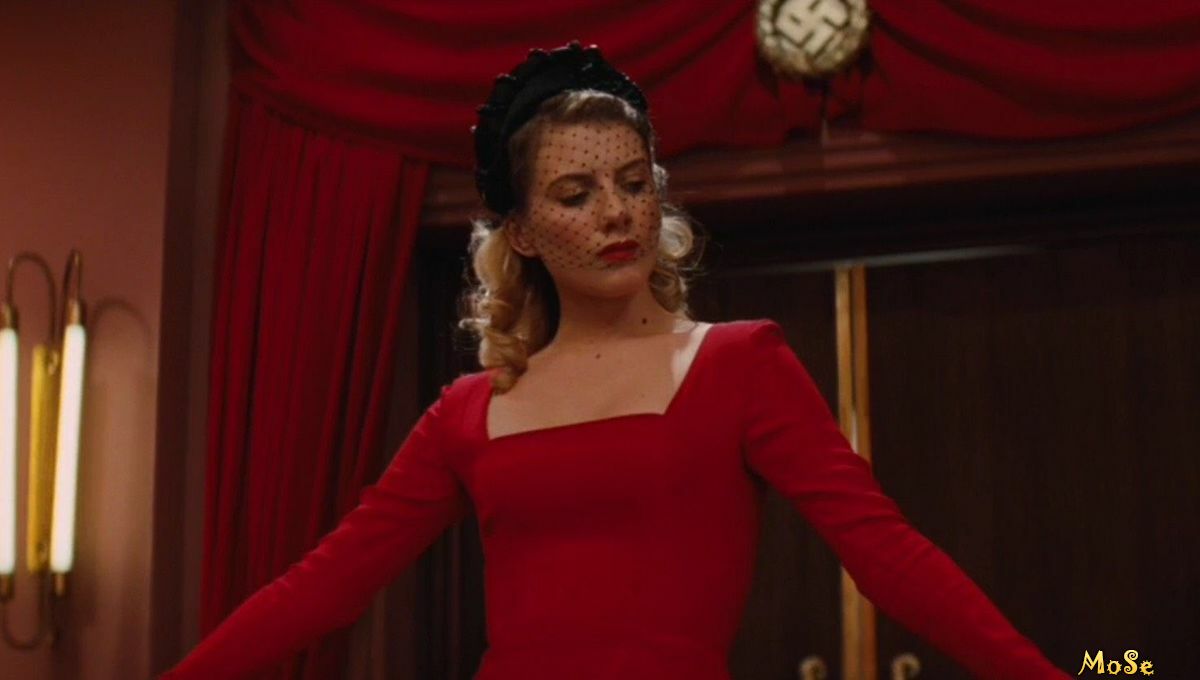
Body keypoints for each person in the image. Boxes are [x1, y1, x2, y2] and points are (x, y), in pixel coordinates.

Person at [163, 41, 1070, 679]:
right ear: (522, 233)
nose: (615, 212)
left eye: (634, 183)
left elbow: (887, 555)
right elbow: (323, 589)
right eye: (575, 192)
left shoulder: (740, 364)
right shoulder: (469, 411)